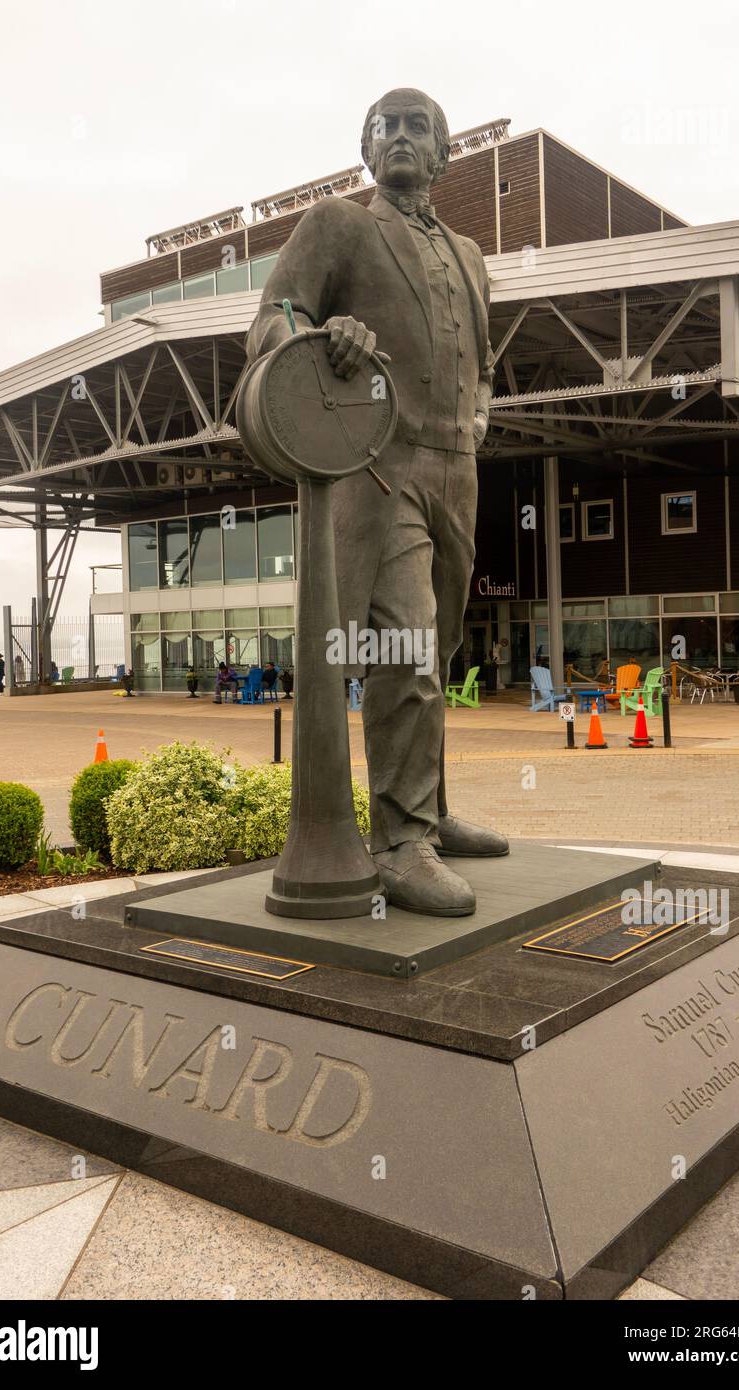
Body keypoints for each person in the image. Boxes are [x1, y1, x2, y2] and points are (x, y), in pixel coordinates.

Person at [247, 88, 508, 915]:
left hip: (456, 471)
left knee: (440, 649)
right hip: (378, 468)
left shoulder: (470, 255)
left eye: (416, 126)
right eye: (385, 127)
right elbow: (271, 321)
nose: (399, 136)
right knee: (406, 648)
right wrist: (324, 340)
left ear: (442, 151)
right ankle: (400, 844)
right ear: (368, 149)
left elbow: (487, 364)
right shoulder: (338, 226)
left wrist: (477, 419)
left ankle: (423, 811)